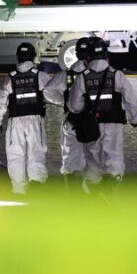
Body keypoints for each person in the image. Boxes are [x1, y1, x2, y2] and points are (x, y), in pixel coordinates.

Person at [67, 36, 137, 190]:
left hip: (91, 125)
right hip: (114, 123)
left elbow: (74, 106)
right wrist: (134, 119)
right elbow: (130, 99)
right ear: (106, 54)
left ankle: (94, 188)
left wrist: (83, 110)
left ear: (88, 56)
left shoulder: (82, 77)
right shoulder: (117, 75)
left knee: (93, 159)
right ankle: (112, 186)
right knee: (114, 156)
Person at [0, 43, 51, 194]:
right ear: (33, 56)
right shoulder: (40, 76)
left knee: (15, 155)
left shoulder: (10, 78)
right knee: (36, 152)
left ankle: (19, 190)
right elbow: (53, 95)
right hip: (35, 120)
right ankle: (37, 186)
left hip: (15, 122)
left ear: (18, 57)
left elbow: (2, 102)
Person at [43, 37, 89, 186]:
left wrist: (64, 101)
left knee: (70, 160)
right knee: (94, 159)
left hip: (71, 120)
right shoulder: (96, 73)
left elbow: (48, 90)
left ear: (77, 53)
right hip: (93, 121)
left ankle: (73, 195)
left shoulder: (66, 74)